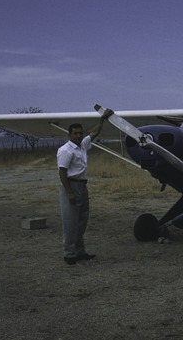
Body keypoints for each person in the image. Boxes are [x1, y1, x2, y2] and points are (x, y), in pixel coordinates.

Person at [56, 109, 113, 265]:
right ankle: (69, 254)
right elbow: (62, 172)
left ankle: (80, 251)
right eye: (75, 133)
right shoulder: (66, 151)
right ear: (69, 134)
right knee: (70, 221)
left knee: (82, 220)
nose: (78, 135)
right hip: (71, 185)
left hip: (82, 185)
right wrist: (69, 192)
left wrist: (103, 118)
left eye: (80, 133)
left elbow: (94, 133)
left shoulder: (82, 146)